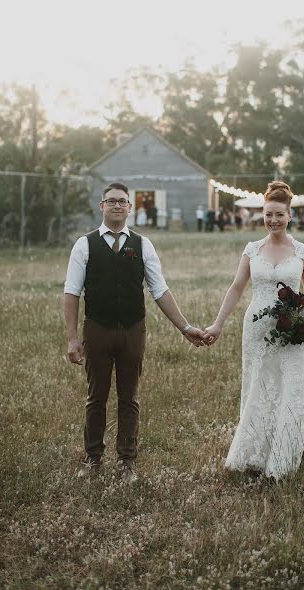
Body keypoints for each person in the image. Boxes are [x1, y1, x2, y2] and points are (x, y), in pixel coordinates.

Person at [64, 182, 206, 481]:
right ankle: (92, 458)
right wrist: (73, 338)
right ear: (101, 206)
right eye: (111, 201)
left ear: (130, 208)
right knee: (96, 397)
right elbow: (71, 293)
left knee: (129, 398)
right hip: (97, 329)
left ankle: (127, 461)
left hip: (132, 330)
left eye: (122, 201)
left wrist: (185, 327)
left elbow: (160, 290)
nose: (117, 206)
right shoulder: (84, 244)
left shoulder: (142, 245)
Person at [203, 181, 304, 480]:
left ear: (290, 215)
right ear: (263, 215)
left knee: (291, 382)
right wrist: (217, 323)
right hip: (256, 329)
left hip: (291, 328)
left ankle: (286, 449)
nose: (273, 220)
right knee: (259, 384)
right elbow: (236, 287)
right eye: (268, 214)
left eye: (279, 214)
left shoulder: (303, 252)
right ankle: (257, 445)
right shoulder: (252, 250)